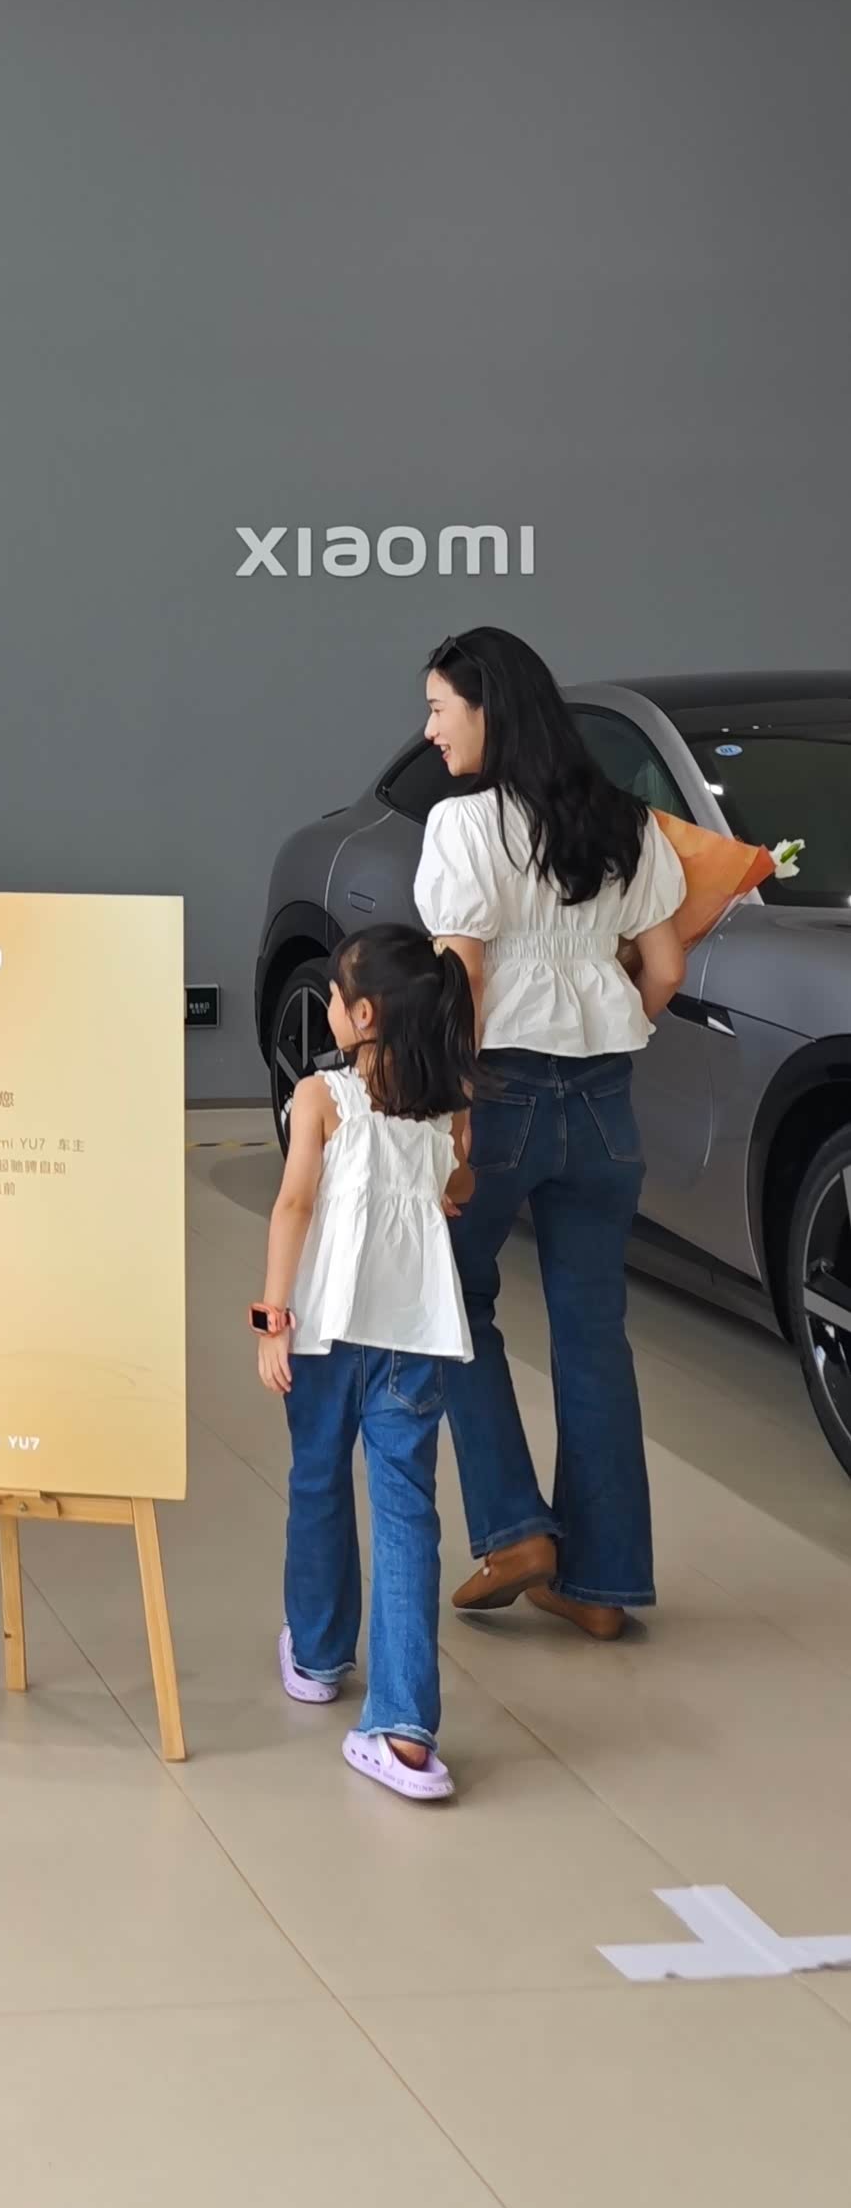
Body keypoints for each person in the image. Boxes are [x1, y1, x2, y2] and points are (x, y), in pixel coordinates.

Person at [416, 626, 686, 1639]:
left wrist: (453, 1113)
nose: (429, 730)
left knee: (445, 1296)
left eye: (438, 709)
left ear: (487, 708)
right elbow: (663, 967)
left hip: (498, 1091)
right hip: (602, 1098)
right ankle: (600, 1584)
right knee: (590, 1331)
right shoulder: (625, 822)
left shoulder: (462, 825)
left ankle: (516, 1529)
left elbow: (463, 976)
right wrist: (607, 1033)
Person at [256, 926, 478, 1801]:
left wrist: (270, 1318)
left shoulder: (320, 1096)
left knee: (316, 1480)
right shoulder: (449, 1103)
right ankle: (403, 1731)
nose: (327, 1007)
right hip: (413, 1336)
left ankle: (316, 1656)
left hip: (321, 1332)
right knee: (406, 1514)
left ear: (362, 1015)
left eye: (335, 995)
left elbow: (292, 1204)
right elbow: (458, 1188)